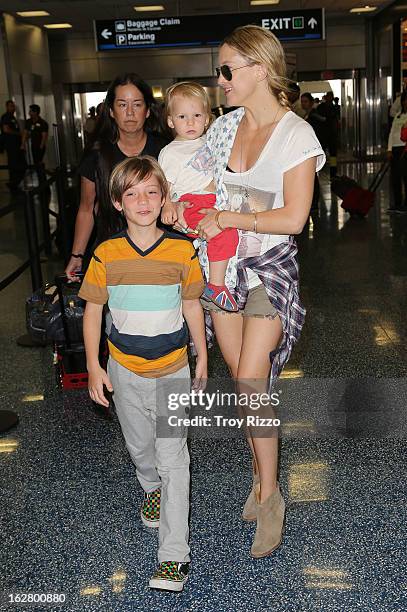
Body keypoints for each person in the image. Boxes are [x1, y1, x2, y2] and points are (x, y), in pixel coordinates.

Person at [163, 25, 325, 559]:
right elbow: (195, 185)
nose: (221, 80)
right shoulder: (223, 129)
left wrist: (227, 215)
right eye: (220, 70)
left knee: (253, 380)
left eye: (228, 69)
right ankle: (260, 476)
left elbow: (294, 218)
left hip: (269, 271)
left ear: (260, 69)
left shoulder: (296, 134)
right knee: (243, 385)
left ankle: (273, 495)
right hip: (220, 270)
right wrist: (175, 207)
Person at [79, 155, 207, 592]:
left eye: (152, 191)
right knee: (139, 447)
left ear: (164, 197)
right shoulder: (106, 254)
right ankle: (148, 485)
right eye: (131, 193)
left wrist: (201, 358)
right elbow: (94, 310)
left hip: (172, 369)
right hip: (124, 370)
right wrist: (94, 367)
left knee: (175, 459)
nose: (143, 200)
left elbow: (192, 305)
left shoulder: (181, 250)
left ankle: (174, 556)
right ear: (117, 202)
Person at [65, 73, 168, 279]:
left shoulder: (165, 151)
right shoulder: (97, 154)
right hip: (111, 249)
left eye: (137, 104)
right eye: (122, 105)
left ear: (147, 111)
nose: (130, 112)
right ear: (111, 111)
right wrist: (77, 254)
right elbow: (86, 208)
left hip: (160, 248)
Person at [159, 81, 239, 312]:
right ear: (171, 121)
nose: (191, 122)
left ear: (207, 118)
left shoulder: (211, 141)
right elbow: (165, 185)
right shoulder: (170, 152)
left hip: (214, 202)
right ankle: (216, 284)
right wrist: (168, 206)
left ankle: (218, 281)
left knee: (229, 234)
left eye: (196, 115)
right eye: (182, 117)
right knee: (226, 233)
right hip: (192, 203)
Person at [301, 92, 327, 211]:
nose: (303, 104)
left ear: (311, 102)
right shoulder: (308, 115)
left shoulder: (314, 116)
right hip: (310, 149)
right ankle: (314, 202)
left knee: (313, 177)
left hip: (313, 150)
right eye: (302, 101)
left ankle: (314, 203)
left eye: (305, 101)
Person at [387, 91, 407, 213]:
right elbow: (391, 133)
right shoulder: (398, 115)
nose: (406, 102)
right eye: (404, 100)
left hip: (404, 149)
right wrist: (389, 149)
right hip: (395, 148)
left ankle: (405, 205)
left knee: (405, 176)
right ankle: (397, 203)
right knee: (395, 177)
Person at [0, 100, 26, 191]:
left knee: (20, 163)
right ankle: (13, 183)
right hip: (11, 145)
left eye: (13, 106)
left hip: (17, 145)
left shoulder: (12, 117)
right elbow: (6, 130)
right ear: (7, 107)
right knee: (14, 163)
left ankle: (14, 182)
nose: (13, 108)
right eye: (11, 106)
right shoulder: (6, 117)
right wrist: (19, 133)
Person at [22, 104, 49, 183]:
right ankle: (41, 180)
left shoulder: (42, 123)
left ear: (35, 112)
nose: (29, 113)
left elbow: (44, 136)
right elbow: (25, 133)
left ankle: (43, 181)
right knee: (36, 163)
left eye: (31, 111)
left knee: (39, 163)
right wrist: (23, 144)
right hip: (33, 145)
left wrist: (41, 147)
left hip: (40, 146)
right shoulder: (29, 122)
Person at [317, 91, 338, 178]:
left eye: (331, 96)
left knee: (333, 154)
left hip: (332, 133)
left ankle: (333, 172)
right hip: (324, 133)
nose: (330, 98)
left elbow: (336, 119)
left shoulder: (334, 107)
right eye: (329, 96)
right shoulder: (321, 107)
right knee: (323, 152)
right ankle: (321, 169)